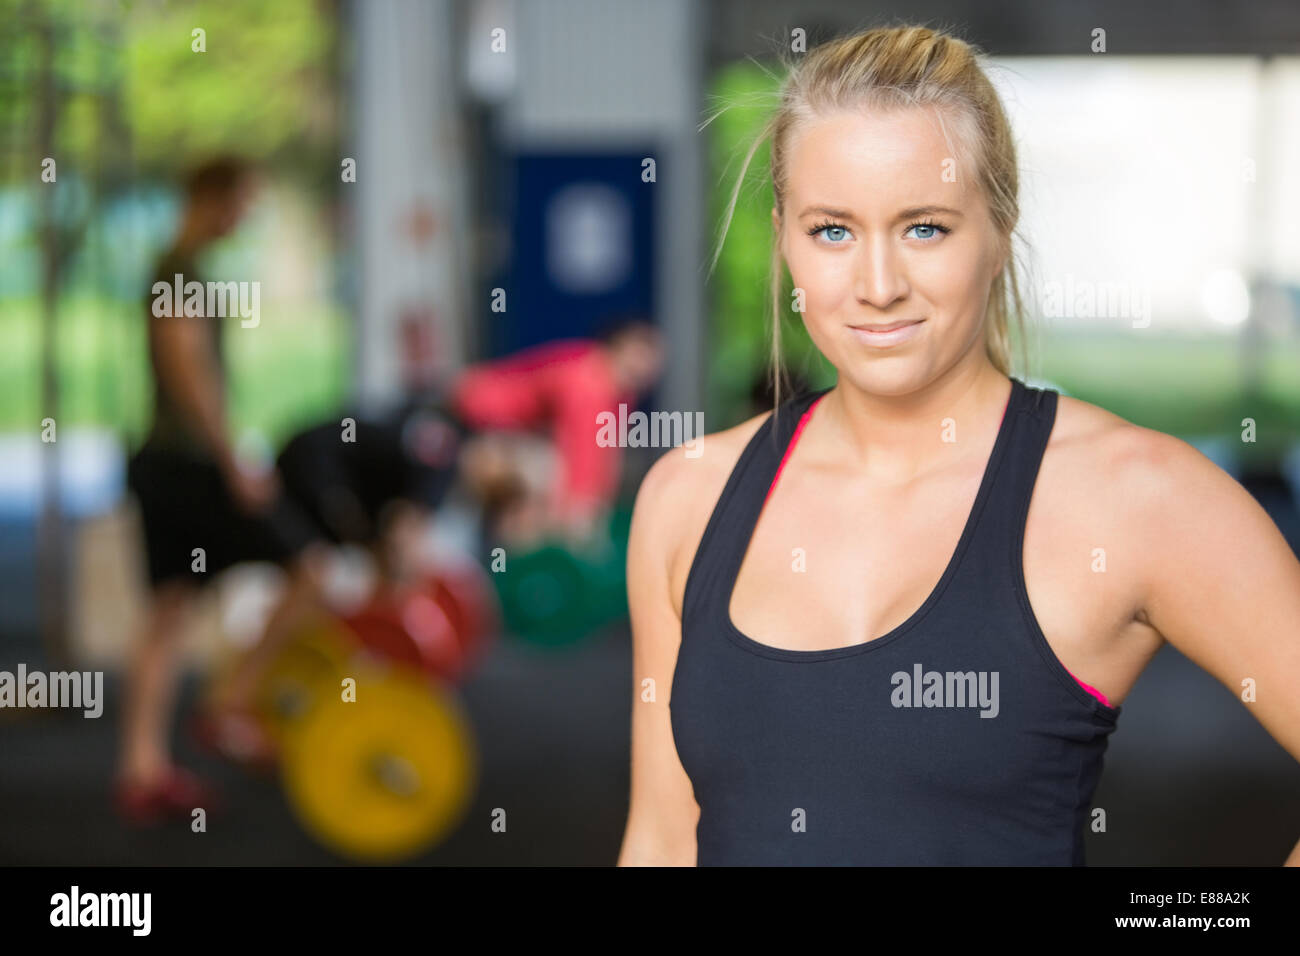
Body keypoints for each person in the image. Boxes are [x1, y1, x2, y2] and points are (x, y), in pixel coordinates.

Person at [618, 25, 1300, 866]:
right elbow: (660, 839)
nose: (876, 285)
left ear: (999, 230)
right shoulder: (688, 497)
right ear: (785, 236)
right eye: (832, 230)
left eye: (925, 228)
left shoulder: (1136, 497)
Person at [119, 156, 330, 823]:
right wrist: (233, 457)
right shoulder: (178, 273)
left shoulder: (179, 266)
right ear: (210, 196)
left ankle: (142, 770)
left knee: (169, 613)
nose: (246, 215)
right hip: (187, 467)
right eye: (242, 201)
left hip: (165, 464)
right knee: (313, 570)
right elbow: (189, 372)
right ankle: (228, 704)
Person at [446, 317, 665, 548]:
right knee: (548, 480)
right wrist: (579, 519)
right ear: (624, 347)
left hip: (498, 430)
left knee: (552, 487)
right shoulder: (591, 378)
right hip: (471, 423)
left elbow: (606, 457)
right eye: (646, 354)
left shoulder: (616, 389)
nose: (653, 367)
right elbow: (581, 453)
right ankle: (513, 562)